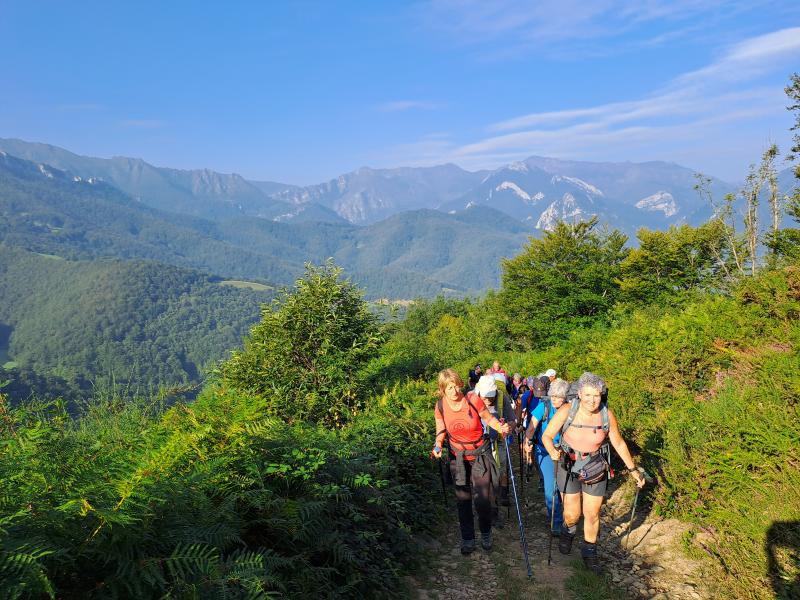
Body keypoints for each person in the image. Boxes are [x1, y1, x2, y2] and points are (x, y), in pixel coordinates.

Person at [541, 372, 645, 574]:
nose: (592, 400)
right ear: (579, 394)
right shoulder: (567, 410)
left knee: (592, 513)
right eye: (587, 395)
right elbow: (547, 436)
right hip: (568, 465)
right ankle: (568, 530)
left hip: (596, 466)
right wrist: (553, 452)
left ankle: (590, 552)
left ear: (602, 395)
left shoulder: (607, 414)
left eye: (596, 395)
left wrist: (633, 469)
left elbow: (618, 442)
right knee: (572, 514)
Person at [433, 369, 511, 554]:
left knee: (483, 499)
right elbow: (441, 430)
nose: (454, 392)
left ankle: (486, 533)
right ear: (442, 389)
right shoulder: (440, 406)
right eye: (449, 388)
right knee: (463, 500)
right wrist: (437, 445)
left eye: (456, 386)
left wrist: (502, 427)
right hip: (458, 457)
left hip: (479, 455)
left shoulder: (472, 400)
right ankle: (468, 539)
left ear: (461, 384)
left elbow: (488, 418)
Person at [523, 378, 569, 536]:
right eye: (553, 396)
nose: (555, 399)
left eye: (559, 396)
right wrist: (527, 440)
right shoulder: (544, 406)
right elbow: (531, 426)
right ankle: (556, 522)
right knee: (551, 487)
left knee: (567, 487)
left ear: (566, 397)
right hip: (545, 451)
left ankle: (569, 517)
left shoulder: (571, 409)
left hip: (567, 452)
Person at [486, 373, 517, 516]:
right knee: (489, 473)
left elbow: (512, 420)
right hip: (483, 442)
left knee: (500, 469)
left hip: (499, 439)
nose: (488, 399)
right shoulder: (474, 397)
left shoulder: (501, 397)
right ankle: (494, 504)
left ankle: (500, 497)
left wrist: (507, 426)